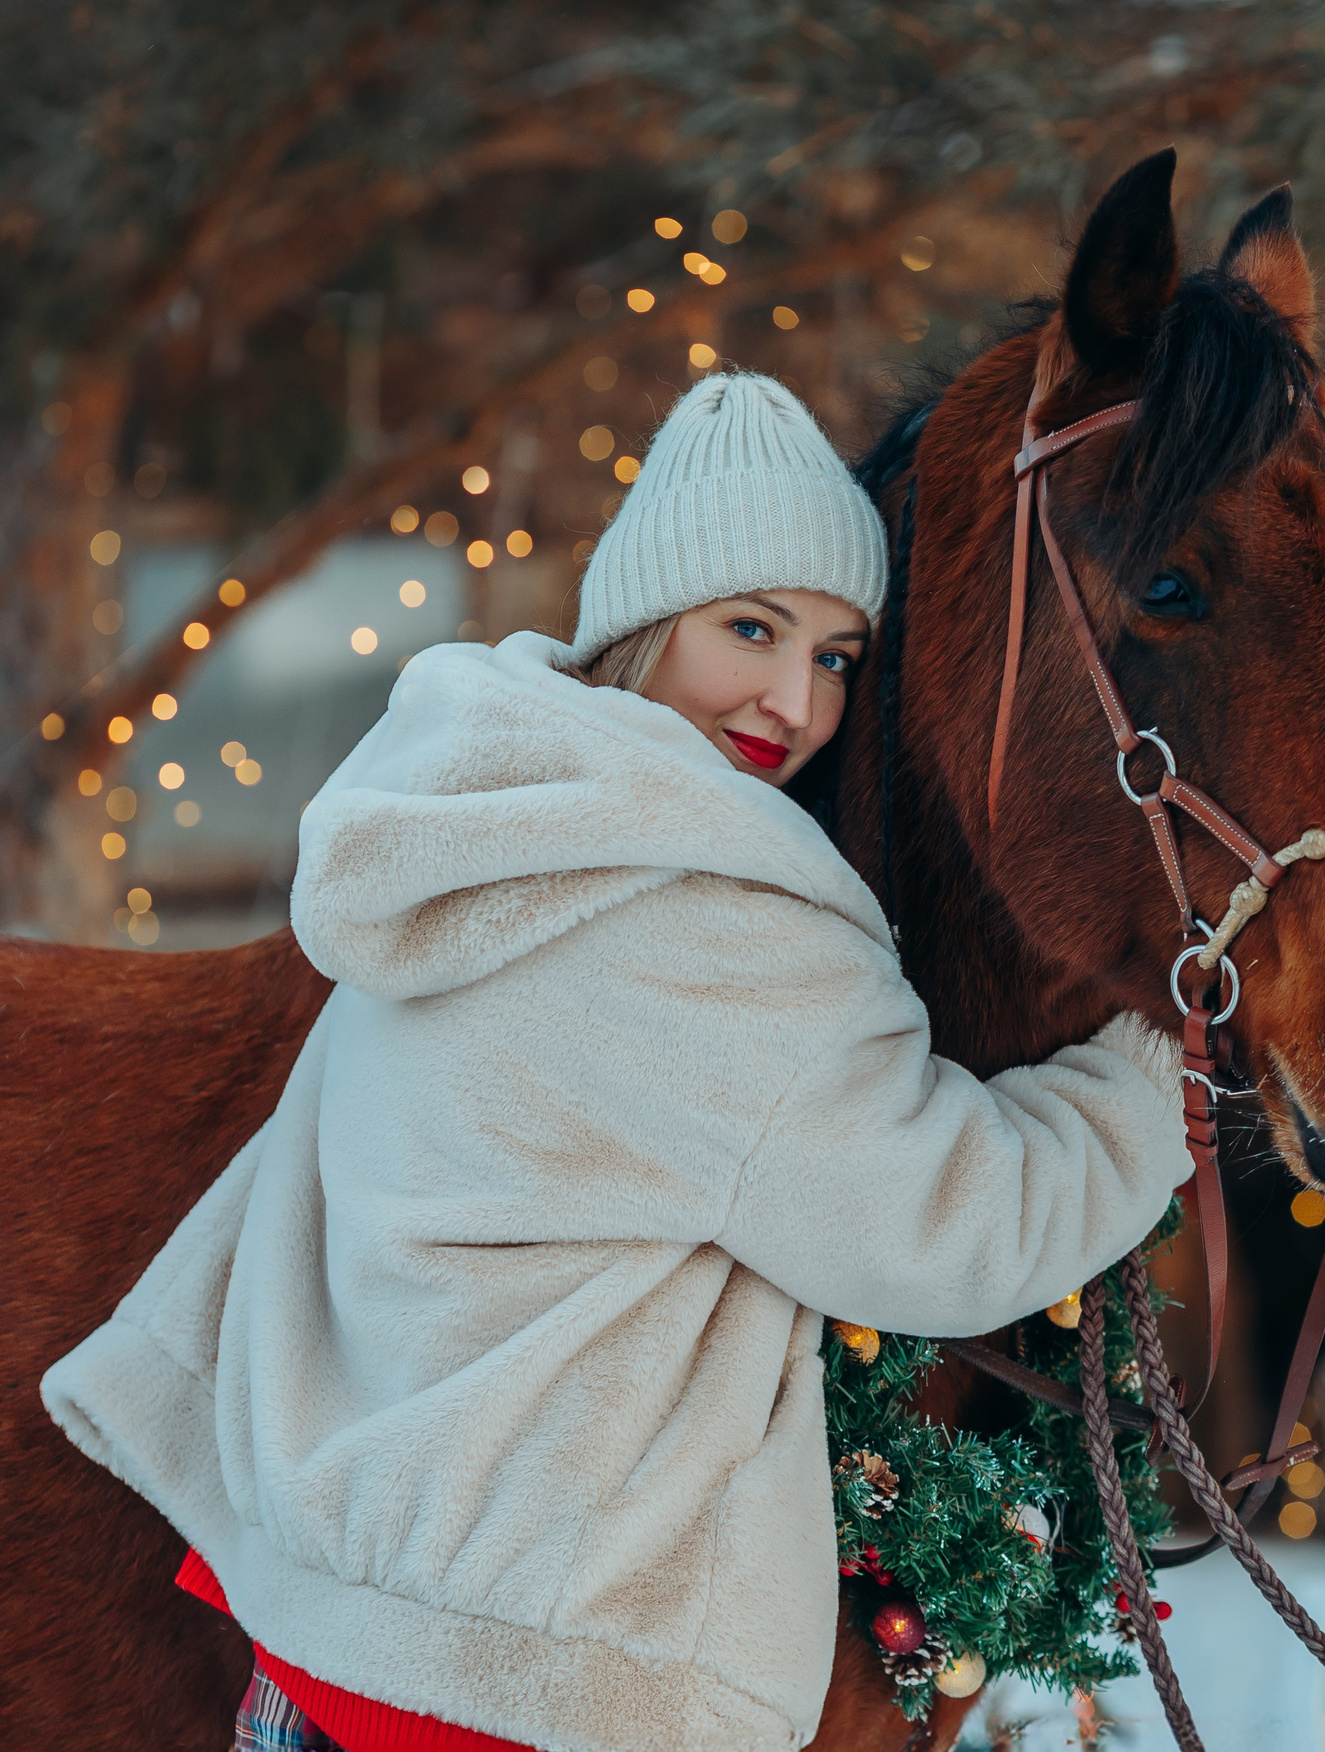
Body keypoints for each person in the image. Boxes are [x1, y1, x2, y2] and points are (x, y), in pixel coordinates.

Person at [42, 373, 1192, 1752]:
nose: (792, 700)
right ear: (650, 620)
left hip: (327, 1642)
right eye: (750, 629)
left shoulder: (472, 822)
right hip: (525, 1679)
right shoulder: (700, 909)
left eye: (834, 656)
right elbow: (954, 1225)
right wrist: (1144, 1070)